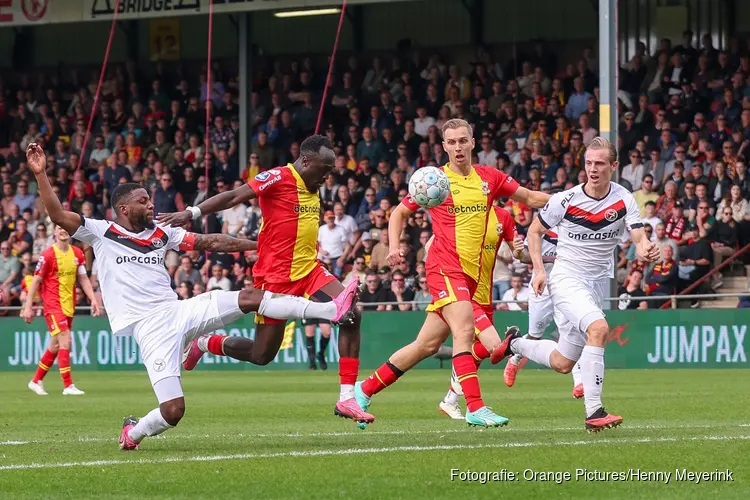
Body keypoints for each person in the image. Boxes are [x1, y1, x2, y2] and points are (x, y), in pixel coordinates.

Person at [24, 143, 359, 451]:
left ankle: (330, 309)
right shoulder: (102, 232)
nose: (152, 204)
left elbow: (211, 242)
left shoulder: (161, 233)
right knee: (173, 411)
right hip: (149, 328)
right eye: (144, 200)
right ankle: (133, 433)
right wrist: (41, 174)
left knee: (252, 296)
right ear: (123, 208)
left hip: (180, 311)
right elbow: (57, 215)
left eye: (150, 198)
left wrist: (259, 247)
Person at [157, 135, 373, 425]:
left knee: (351, 313)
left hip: (310, 271)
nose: (327, 175)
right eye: (324, 168)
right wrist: (191, 212)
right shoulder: (278, 177)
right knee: (261, 355)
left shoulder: (313, 185)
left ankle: (347, 396)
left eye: (330, 170)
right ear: (306, 161)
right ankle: (206, 344)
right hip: (274, 278)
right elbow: (234, 196)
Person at [353, 118, 549, 428]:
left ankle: (363, 390)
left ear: (473, 142)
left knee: (425, 346)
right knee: (464, 332)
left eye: (463, 140)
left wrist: (572, 202)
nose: (458, 146)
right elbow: (400, 213)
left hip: (470, 278)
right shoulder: (435, 181)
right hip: (444, 268)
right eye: (452, 142)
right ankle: (474, 406)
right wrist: (393, 246)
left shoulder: (490, 178)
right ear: (444, 146)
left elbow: (530, 197)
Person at [491, 136, 659, 432]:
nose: (593, 169)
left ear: (614, 166)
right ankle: (594, 412)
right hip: (566, 277)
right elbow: (534, 232)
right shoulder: (565, 200)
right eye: (589, 163)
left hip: (595, 285)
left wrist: (645, 246)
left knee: (563, 362)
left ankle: (514, 343)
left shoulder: (623, 198)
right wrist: (540, 270)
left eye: (600, 163)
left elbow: (637, 234)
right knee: (599, 328)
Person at [436, 204, 523, 420]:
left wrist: (521, 251)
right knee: (494, 345)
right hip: (463, 293)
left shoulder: (503, 216)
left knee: (474, 352)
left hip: (485, 295)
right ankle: (475, 407)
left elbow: (518, 256)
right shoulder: (461, 211)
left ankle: (450, 400)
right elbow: (431, 246)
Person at [501, 227, 585, 397]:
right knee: (534, 334)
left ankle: (579, 383)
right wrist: (518, 252)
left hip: (568, 287)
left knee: (570, 333)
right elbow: (524, 257)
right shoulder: (542, 226)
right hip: (542, 286)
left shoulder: (578, 227)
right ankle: (515, 356)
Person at [24, 225, 102, 396]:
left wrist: (93, 300)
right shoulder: (48, 255)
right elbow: (36, 281)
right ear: (54, 232)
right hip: (53, 306)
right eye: (59, 228)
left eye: (65, 228)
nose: (62, 230)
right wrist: (28, 306)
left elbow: (83, 278)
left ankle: (36, 380)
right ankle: (68, 386)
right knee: (66, 340)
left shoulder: (77, 254)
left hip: (68, 305)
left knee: (55, 345)